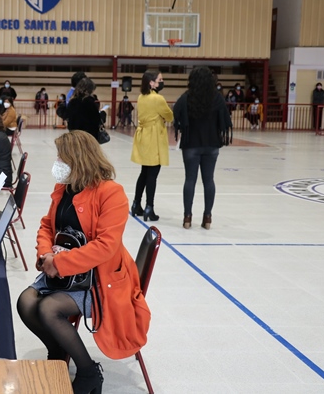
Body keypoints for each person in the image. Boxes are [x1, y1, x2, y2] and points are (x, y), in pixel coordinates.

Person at [17, 131, 150, 394]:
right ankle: (57, 350)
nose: (57, 161)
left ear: (78, 159)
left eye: (61, 157)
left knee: (48, 309)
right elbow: (47, 225)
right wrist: (46, 255)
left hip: (100, 279)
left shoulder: (111, 193)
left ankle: (89, 372)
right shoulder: (64, 188)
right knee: (26, 302)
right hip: (63, 267)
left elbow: (105, 246)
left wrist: (60, 262)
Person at [173, 67, 232, 230]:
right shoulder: (217, 98)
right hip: (212, 144)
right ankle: (207, 217)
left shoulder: (186, 98)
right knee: (209, 180)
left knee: (190, 180)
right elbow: (226, 120)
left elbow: (175, 113)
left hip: (191, 144)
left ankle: (187, 217)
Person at [130, 71, 173, 222]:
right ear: (152, 83)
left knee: (144, 172)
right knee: (152, 175)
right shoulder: (158, 98)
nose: (162, 82)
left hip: (143, 136)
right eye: (160, 80)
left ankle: (136, 204)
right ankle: (149, 207)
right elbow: (169, 115)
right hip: (154, 137)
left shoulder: (141, 97)